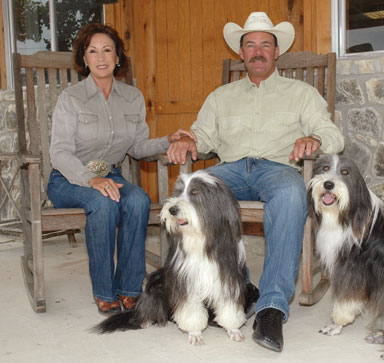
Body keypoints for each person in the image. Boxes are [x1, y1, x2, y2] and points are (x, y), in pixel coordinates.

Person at [166, 12, 344, 352]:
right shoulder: (221, 96)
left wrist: (315, 140)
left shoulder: (301, 93)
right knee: (194, 190)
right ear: (242, 53)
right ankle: (232, 289)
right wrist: (189, 141)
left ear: (276, 53)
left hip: (277, 168)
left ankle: (272, 306)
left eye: (265, 44)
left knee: (293, 195)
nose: (257, 51)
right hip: (230, 168)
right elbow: (202, 137)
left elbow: (332, 134)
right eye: (250, 45)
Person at [48, 23, 196, 315]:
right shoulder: (71, 99)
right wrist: (90, 179)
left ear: (117, 58)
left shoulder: (133, 97)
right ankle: (104, 292)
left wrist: (167, 140)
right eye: (93, 51)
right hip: (69, 178)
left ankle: (129, 290)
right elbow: (59, 153)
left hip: (111, 176)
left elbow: (138, 147)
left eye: (107, 50)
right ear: (84, 59)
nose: (101, 57)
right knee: (104, 203)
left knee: (139, 200)